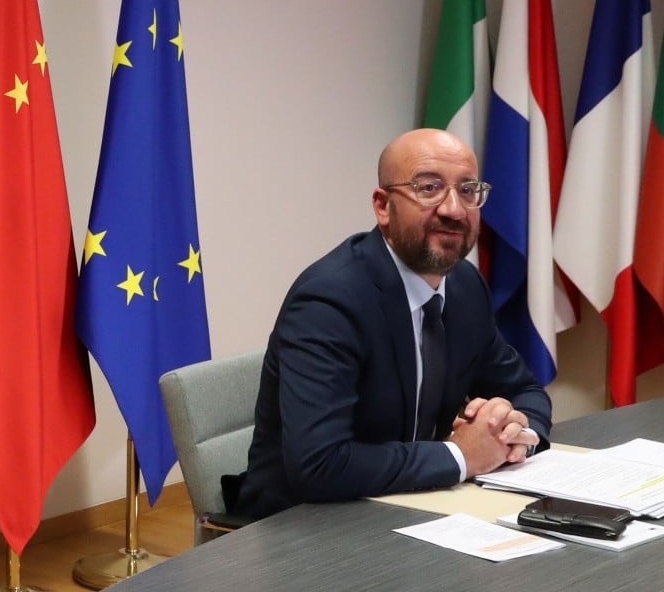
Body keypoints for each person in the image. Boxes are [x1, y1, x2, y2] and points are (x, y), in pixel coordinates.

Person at [232, 128, 552, 519]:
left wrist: (516, 433)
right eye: (429, 188)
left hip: (414, 503)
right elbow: (319, 465)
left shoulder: (464, 286)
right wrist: (461, 456)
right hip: (303, 525)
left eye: (468, 190)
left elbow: (525, 389)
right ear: (383, 206)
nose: (454, 209)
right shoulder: (329, 302)